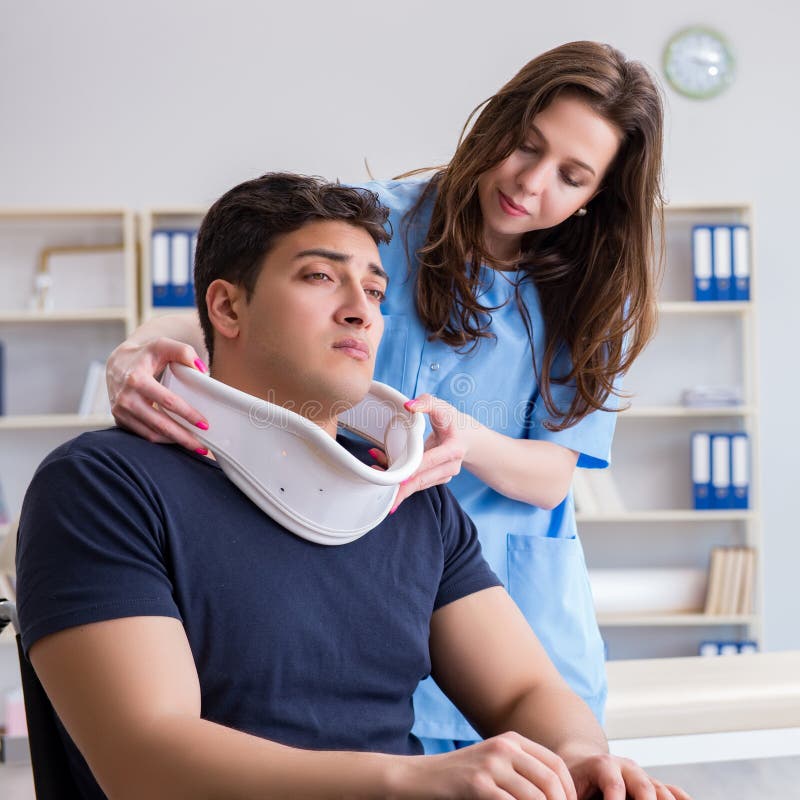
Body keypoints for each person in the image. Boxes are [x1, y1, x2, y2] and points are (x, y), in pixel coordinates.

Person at [16, 173, 687, 800]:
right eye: (319, 276)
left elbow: (524, 691)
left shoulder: (409, 497)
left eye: (374, 291)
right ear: (226, 306)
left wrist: (579, 757)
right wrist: (412, 780)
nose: (361, 311)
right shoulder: (103, 487)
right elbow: (144, 761)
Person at [105, 40, 664, 750]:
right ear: (498, 120)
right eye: (526, 144)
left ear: (595, 198)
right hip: (356, 584)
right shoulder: (373, 225)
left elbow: (553, 475)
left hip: (509, 608)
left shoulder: (592, 295)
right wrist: (135, 348)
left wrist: (464, 437)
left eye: (571, 176)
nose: (530, 182)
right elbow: (238, 302)